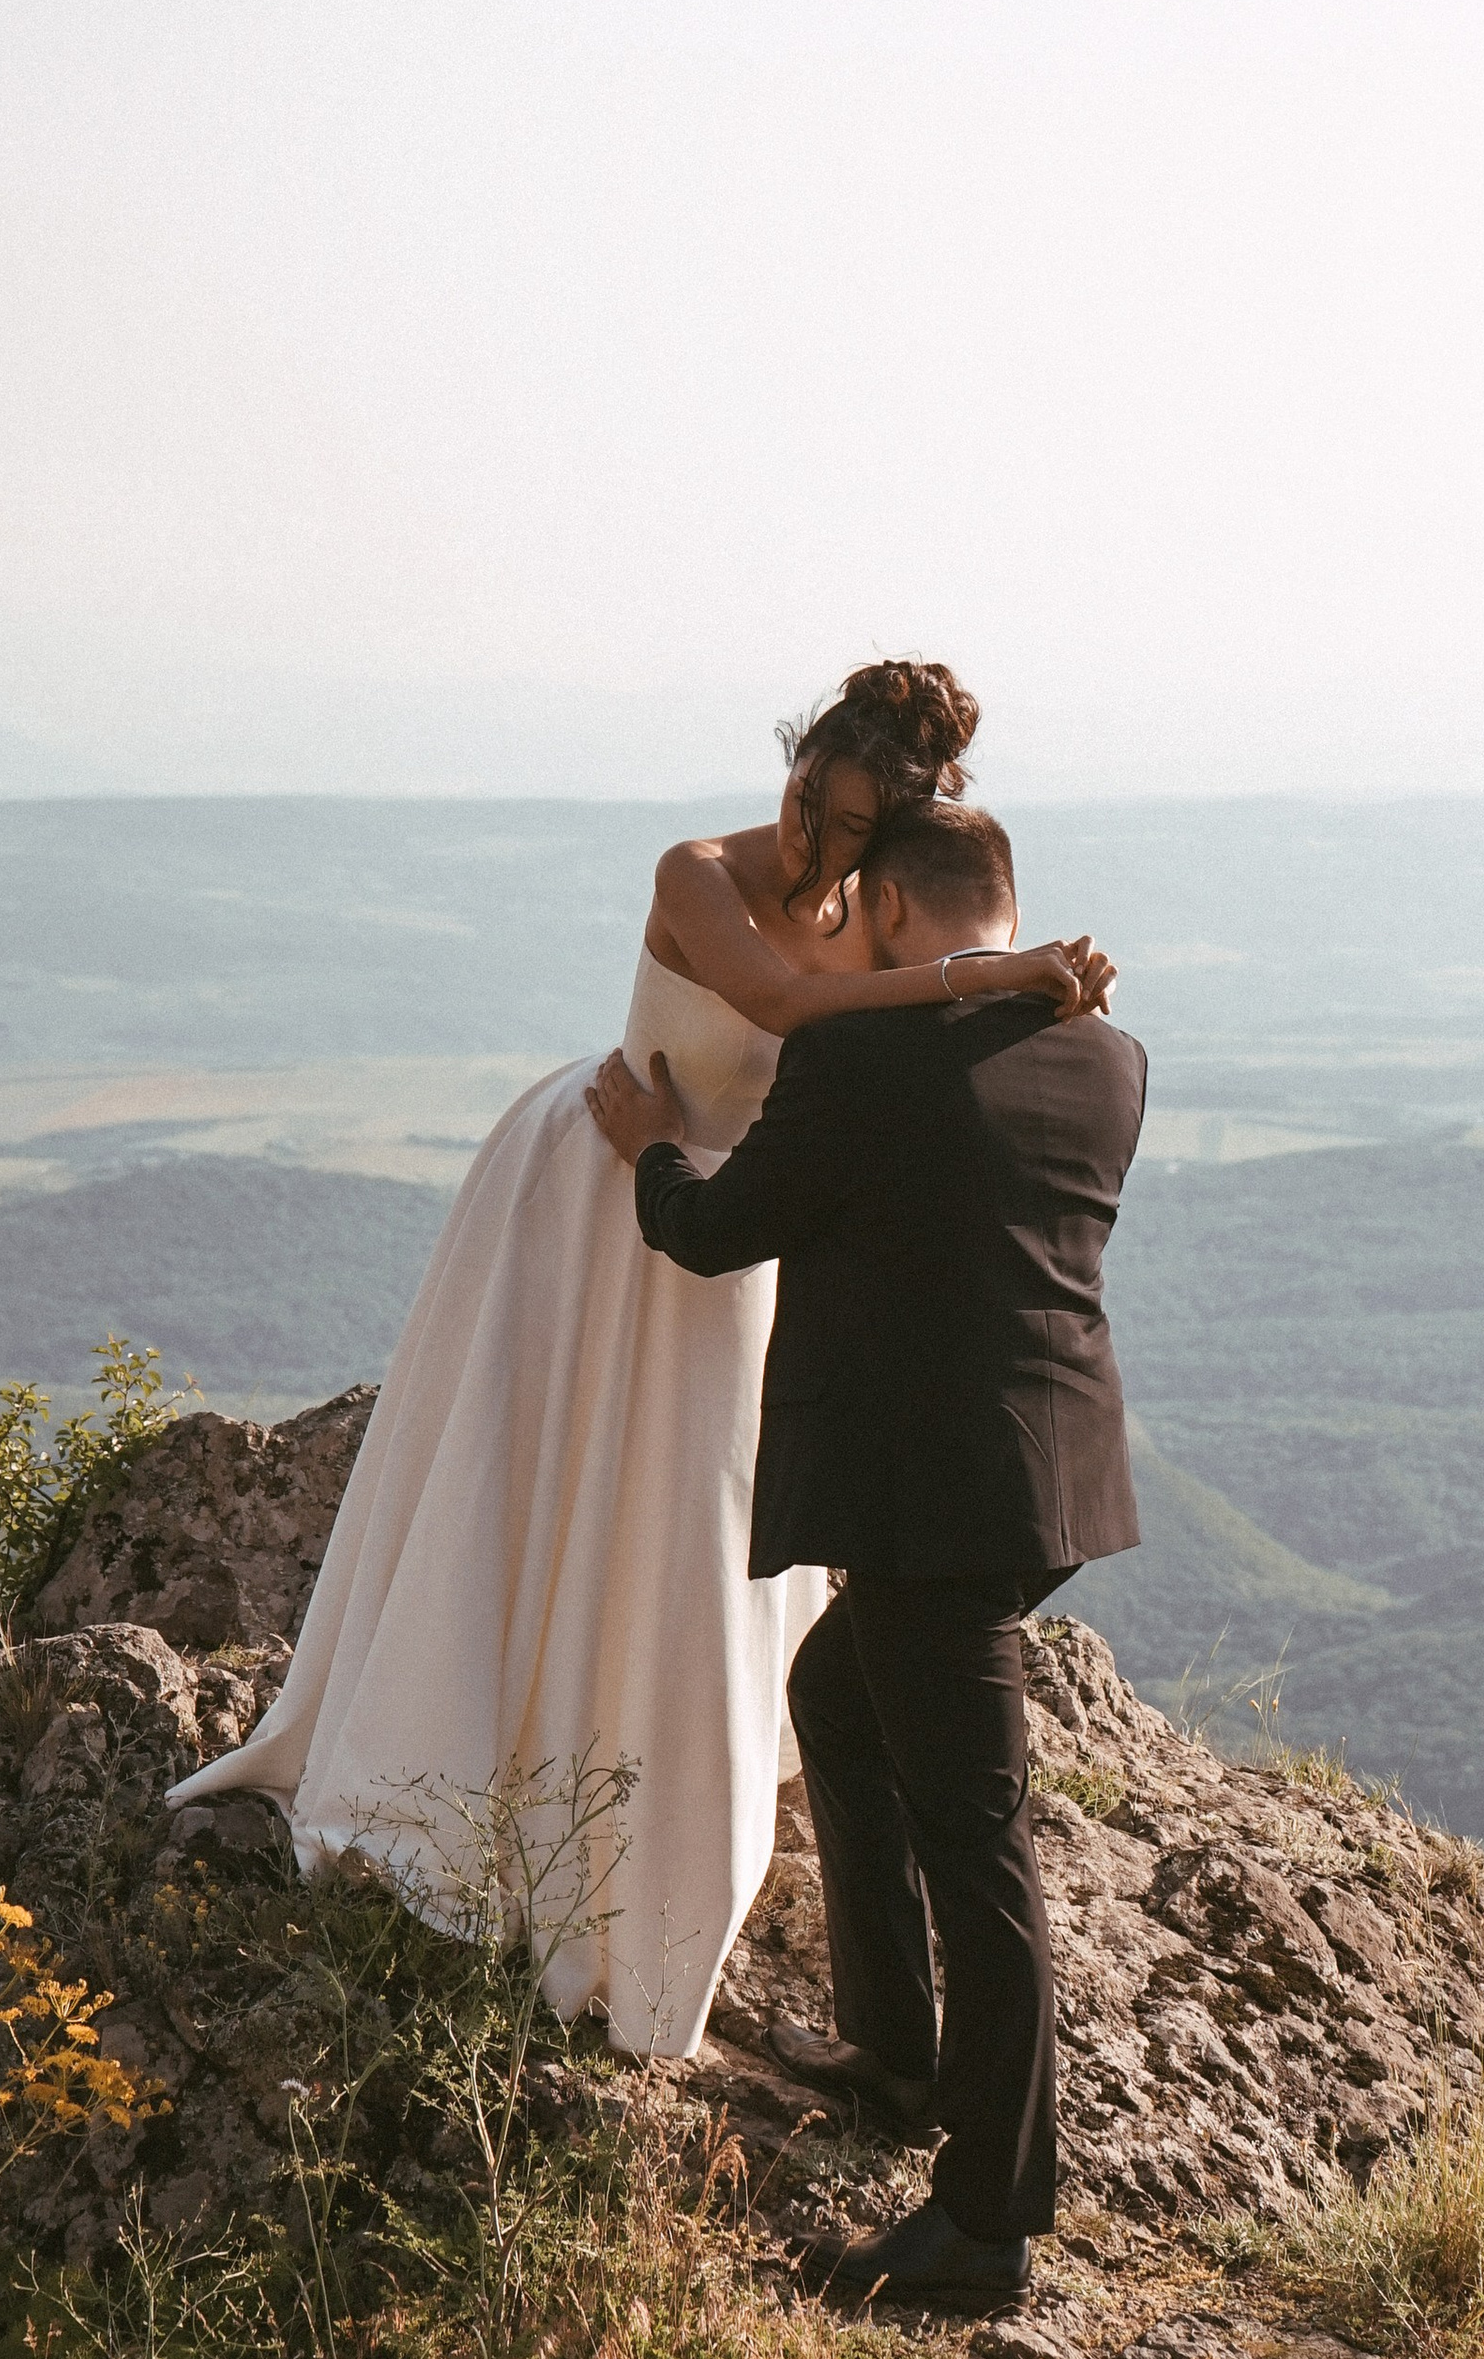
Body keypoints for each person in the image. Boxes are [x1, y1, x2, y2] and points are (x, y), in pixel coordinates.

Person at [166, 661, 1114, 2060]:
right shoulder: (698, 873)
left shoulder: (877, 915)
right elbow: (783, 1009)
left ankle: (655, 1790)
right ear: (797, 768)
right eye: (818, 809)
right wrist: (1001, 971)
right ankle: (489, 1753)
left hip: (735, 1227)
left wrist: (1022, 999)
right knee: (541, 1487)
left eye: (862, 835)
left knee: (692, 1527)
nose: (824, 851)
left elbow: (893, 1058)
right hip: (610, 1184)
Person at [585, 798, 1146, 2301]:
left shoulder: (865, 1053)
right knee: (838, 1701)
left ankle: (985, 2221)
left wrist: (652, 1151)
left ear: (892, 910)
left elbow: (720, 1233)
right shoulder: (1109, 1058)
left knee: (982, 1842)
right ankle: (896, 2056)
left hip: (928, 1500)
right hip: (1052, 1484)